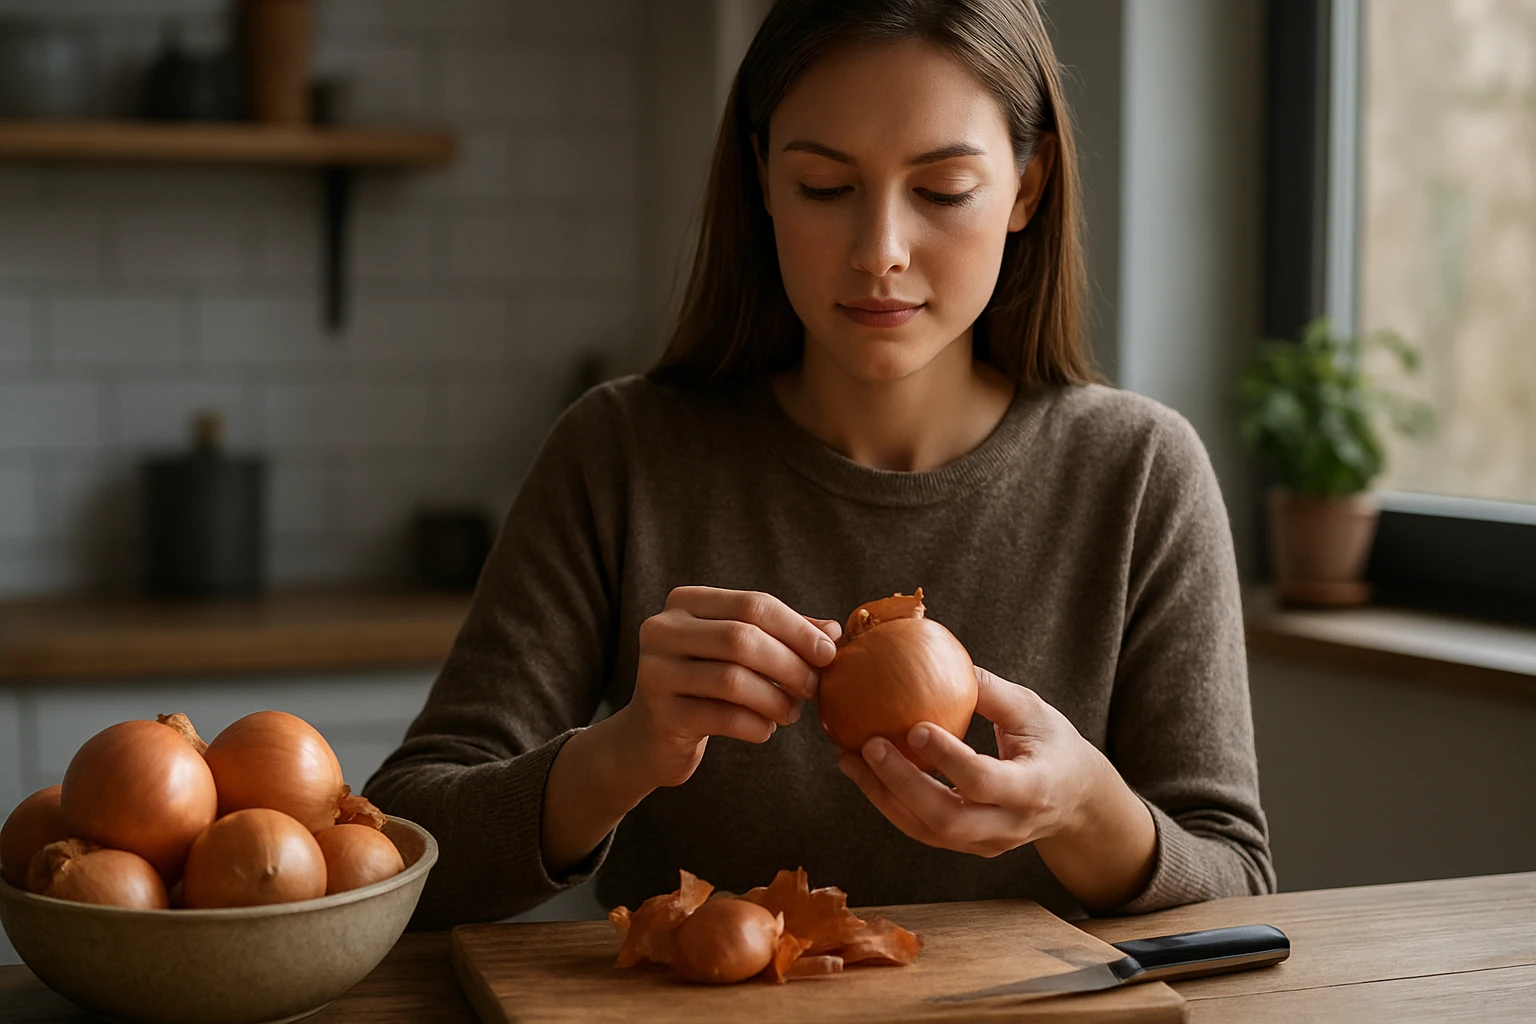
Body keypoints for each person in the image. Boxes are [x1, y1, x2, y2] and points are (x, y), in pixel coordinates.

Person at [365, 0, 1274, 930]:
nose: (879, 251)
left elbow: (1237, 887)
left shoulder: (1141, 475)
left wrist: (1083, 809)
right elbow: (403, 843)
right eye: (825, 188)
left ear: (1027, 188)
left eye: (943, 190)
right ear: (762, 179)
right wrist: (625, 752)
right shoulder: (620, 453)